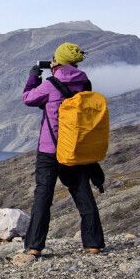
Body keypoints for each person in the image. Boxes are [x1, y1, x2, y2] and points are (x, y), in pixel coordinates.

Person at [17, 42, 105, 263]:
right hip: (74, 148)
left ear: (57, 60)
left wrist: (33, 78)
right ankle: (93, 244)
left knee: (43, 196)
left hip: (49, 150)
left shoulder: (50, 84)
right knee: (82, 192)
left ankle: (34, 247)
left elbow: (28, 98)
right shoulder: (85, 83)